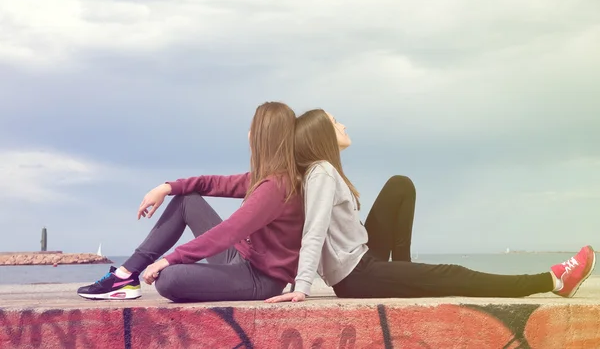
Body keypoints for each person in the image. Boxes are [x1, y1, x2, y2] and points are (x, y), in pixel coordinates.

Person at [266, 109, 595, 303]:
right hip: (357, 275)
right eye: (336, 122)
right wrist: (302, 287)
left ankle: (406, 272)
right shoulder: (321, 172)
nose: (343, 126)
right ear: (322, 134)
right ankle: (552, 280)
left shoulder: (322, 171)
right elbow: (314, 229)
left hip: (363, 260)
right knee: (452, 274)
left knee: (400, 185)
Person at [77, 102, 304, 302]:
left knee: (167, 279)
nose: (248, 134)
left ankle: (130, 276)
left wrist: (169, 260)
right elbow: (213, 183)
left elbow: (230, 231)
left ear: (263, 136)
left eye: (252, 128)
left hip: (259, 278)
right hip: (239, 257)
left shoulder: (276, 187)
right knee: (186, 199)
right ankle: (125, 275)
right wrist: (168, 187)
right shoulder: (266, 178)